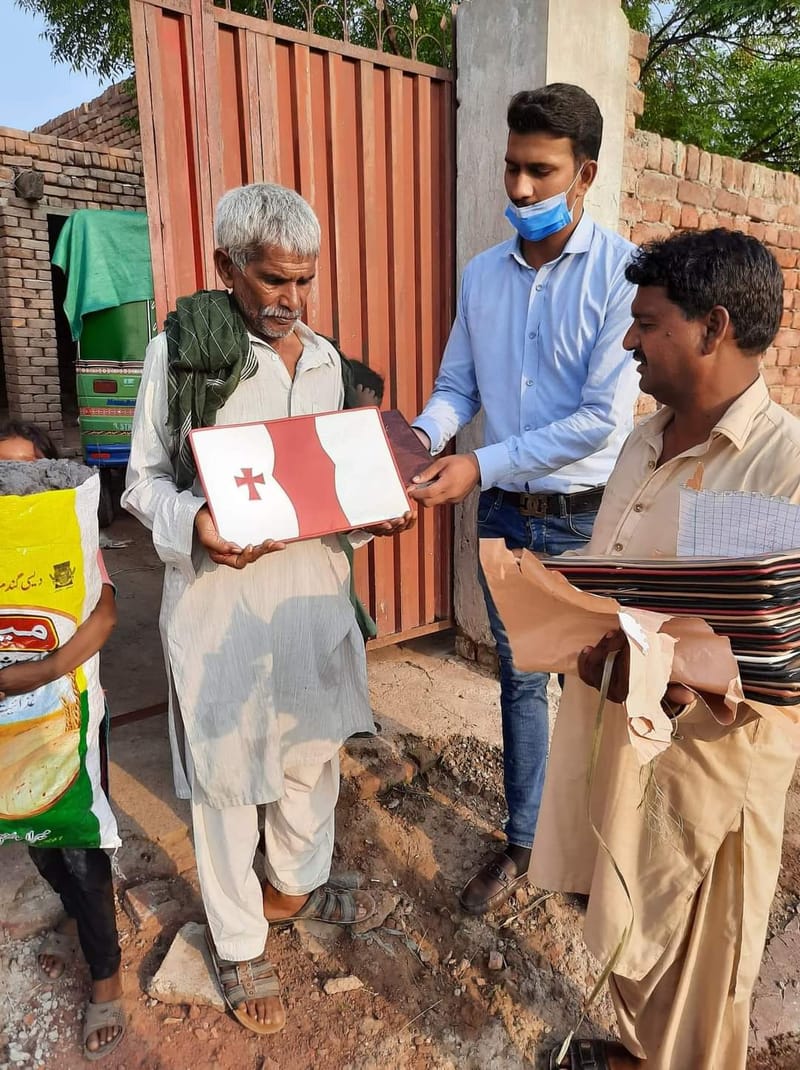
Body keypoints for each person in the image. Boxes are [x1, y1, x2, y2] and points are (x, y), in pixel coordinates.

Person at [122, 183, 413, 1035]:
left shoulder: (328, 365)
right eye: (274, 279)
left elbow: (335, 490)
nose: (292, 299)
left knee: (310, 757)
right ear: (227, 265)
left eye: (305, 281)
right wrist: (195, 523)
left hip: (312, 602)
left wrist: (373, 513)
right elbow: (141, 482)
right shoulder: (183, 356)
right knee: (225, 780)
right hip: (218, 605)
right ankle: (240, 942)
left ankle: (293, 887)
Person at [532, 229, 800, 1070]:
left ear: (713, 328)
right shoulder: (645, 441)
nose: (627, 342)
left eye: (648, 324)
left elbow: (750, 649)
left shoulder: (778, 468)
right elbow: (635, 589)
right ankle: (638, 1051)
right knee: (628, 921)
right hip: (621, 737)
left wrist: (675, 671)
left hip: (707, 775)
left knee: (700, 969)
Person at [410, 84, 640, 913]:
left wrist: (480, 462)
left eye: (540, 172)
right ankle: (523, 840)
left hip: (586, 518)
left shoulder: (624, 275)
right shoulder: (483, 276)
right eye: (511, 167)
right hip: (505, 517)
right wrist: (421, 439)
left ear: (585, 174)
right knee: (517, 681)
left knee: (594, 687)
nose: (518, 187)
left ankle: (594, 851)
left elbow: (601, 419)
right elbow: (456, 387)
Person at [0, 420, 123, 1062]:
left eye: (28, 469)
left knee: (79, 845)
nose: (15, 484)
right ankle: (75, 915)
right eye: (4, 471)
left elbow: (104, 613)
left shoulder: (68, 533)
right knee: (33, 833)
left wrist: (40, 671)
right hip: (10, 729)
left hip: (71, 714)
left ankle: (107, 975)